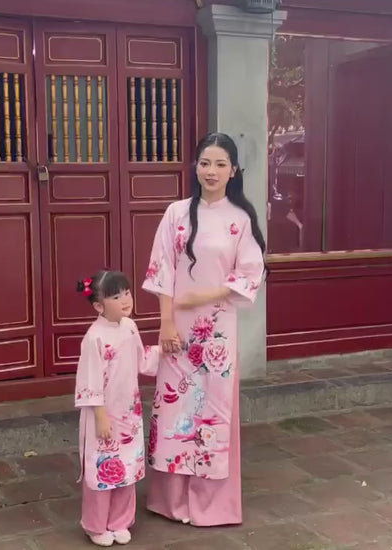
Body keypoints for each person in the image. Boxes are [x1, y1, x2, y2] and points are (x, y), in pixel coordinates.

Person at [142, 132, 265, 526]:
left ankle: (210, 505)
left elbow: (250, 274)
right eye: (205, 163)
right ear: (195, 167)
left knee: (212, 413)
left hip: (217, 334)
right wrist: (164, 324)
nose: (211, 171)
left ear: (233, 171)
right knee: (175, 409)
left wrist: (204, 296)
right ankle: (172, 501)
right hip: (176, 329)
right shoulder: (176, 213)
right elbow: (161, 271)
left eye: (220, 164)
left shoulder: (240, 219)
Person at [74, 269, 160, 546]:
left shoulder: (130, 327)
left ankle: (120, 522)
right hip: (103, 413)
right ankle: (95, 525)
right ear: (99, 306)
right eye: (115, 296)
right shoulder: (94, 338)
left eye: (126, 293)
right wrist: (99, 416)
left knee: (127, 466)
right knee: (102, 468)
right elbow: (89, 380)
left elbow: (142, 360)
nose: (125, 300)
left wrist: (165, 350)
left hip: (129, 412)